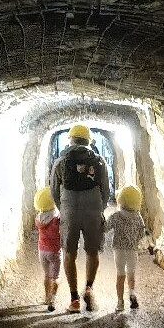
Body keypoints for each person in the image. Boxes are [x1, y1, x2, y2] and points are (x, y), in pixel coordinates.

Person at [50, 124, 110, 313]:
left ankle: (74, 299)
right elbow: (106, 191)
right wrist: (100, 209)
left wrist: (64, 210)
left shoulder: (60, 162)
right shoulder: (99, 161)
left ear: (70, 140)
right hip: (93, 209)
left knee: (69, 253)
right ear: (89, 140)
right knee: (92, 252)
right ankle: (89, 288)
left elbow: (54, 191)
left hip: (69, 209)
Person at [105, 185, 147, 311]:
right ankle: (132, 294)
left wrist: (100, 220)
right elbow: (142, 233)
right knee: (131, 275)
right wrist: (134, 240)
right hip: (132, 250)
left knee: (120, 275)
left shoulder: (116, 216)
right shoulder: (138, 217)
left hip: (119, 250)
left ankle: (120, 303)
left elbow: (105, 228)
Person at [33, 186, 61, 312]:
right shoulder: (57, 218)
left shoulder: (38, 218)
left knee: (47, 275)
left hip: (41, 251)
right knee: (56, 277)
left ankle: (46, 297)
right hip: (54, 251)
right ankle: (52, 301)